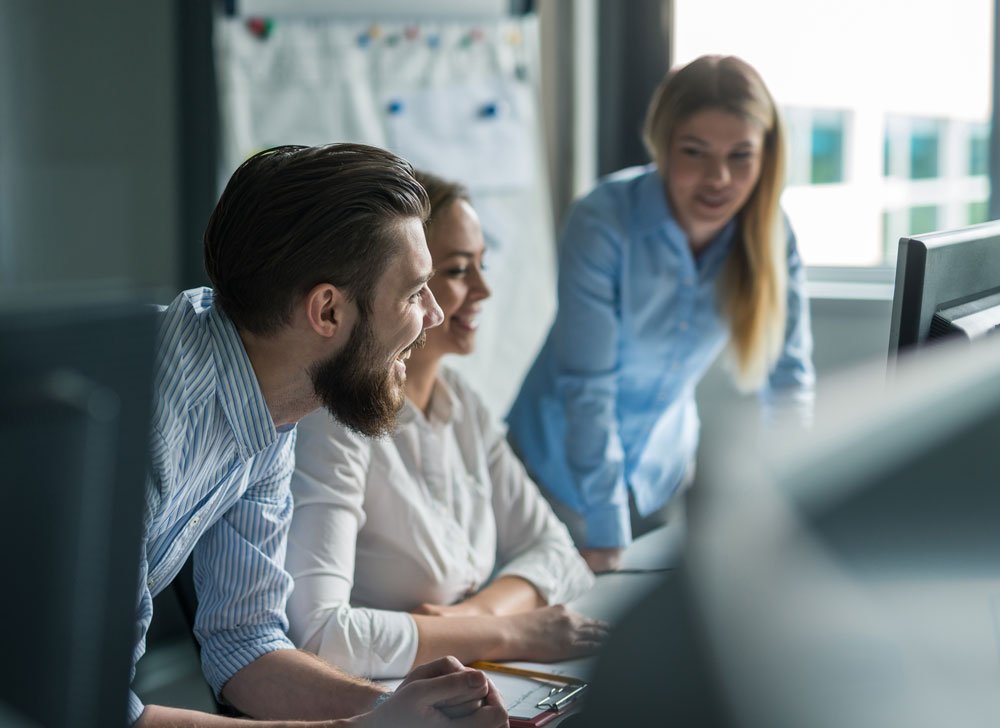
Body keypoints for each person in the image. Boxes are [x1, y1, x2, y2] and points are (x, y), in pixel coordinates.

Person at [133, 143, 507, 728]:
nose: (433, 315)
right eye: (413, 293)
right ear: (328, 312)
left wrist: (398, 712)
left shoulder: (272, 401)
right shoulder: (145, 417)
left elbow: (246, 645)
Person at [285, 170, 606, 679]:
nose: (483, 289)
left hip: (463, 672)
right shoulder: (333, 421)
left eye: (482, 265)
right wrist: (511, 631)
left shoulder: (462, 405)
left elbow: (556, 551)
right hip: (380, 697)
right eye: (458, 271)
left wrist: (469, 618)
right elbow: (323, 639)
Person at [506, 54, 815, 573]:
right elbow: (589, 386)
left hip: (660, 474)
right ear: (663, 145)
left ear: (766, 157)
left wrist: (802, 503)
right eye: (695, 152)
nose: (718, 178)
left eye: (741, 156)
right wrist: (606, 531)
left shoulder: (771, 234)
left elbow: (789, 382)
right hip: (554, 474)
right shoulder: (603, 220)